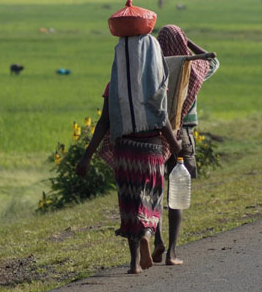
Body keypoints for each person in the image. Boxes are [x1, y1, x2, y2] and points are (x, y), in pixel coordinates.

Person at [76, 34, 181, 275]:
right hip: (151, 148)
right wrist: (174, 146)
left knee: (129, 203)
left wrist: (87, 157)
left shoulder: (114, 84)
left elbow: (104, 122)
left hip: (124, 151)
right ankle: (147, 234)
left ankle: (134, 263)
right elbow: (162, 117)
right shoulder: (154, 81)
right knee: (151, 199)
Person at [151, 25, 218, 266]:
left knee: (156, 191)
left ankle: (157, 239)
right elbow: (214, 61)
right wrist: (188, 45)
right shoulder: (194, 66)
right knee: (176, 193)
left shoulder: (155, 68)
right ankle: (172, 252)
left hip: (158, 136)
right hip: (183, 137)